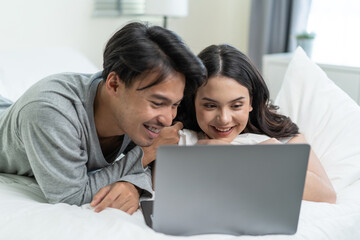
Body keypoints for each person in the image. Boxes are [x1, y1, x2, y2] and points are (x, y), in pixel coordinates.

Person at [0, 22, 205, 214]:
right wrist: (147, 152)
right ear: (114, 84)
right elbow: (71, 194)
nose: (167, 120)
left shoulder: (135, 114)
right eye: (157, 103)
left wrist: (132, 185)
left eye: (175, 105)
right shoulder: (50, 111)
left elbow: (145, 165)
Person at [173, 44, 336, 203]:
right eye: (210, 105)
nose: (224, 118)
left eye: (236, 106)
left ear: (252, 101)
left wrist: (248, 159)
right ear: (192, 101)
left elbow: (327, 194)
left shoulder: (282, 137)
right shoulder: (178, 135)